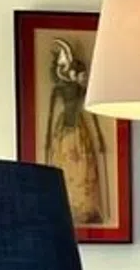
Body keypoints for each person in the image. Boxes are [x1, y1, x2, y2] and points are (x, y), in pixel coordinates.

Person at [44, 38, 108, 225]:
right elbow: (50, 114)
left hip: (78, 129)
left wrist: (99, 136)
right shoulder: (59, 90)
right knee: (64, 167)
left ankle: (85, 209)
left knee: (83, 169)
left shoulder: (81, 90)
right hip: (63, 130)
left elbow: (92, 111)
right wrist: (47, 138)